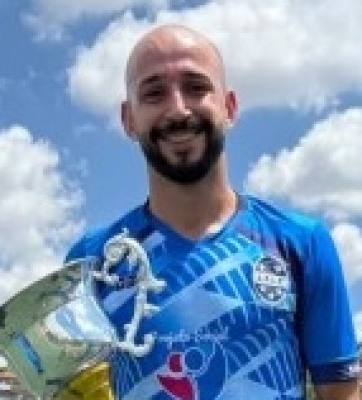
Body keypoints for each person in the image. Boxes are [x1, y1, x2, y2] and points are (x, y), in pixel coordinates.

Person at [65, 24, 360, 399]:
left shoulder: (302, 243)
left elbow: (341, 392)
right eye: (154, 93)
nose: (178, 109)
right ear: (129, 120)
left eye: (196, 87)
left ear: (229, 107)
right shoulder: (93, 261)